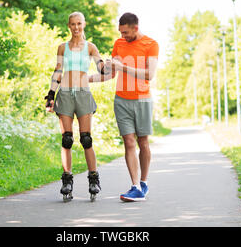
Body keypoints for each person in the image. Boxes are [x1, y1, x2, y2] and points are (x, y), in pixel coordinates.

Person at [89, 12, 159, 202]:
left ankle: (143, 182)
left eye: (126, 32)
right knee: (129, 141)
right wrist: (86, 79)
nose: (122, 37)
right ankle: (135, 186)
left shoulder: (151, 45)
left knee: (143, 142)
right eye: (120, 32)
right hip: (121, 99)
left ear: (135, 28)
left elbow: (149, 74)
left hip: (142, 99)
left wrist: (122, 68)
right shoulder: (119, 44)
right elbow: (110, 74)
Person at [44, 11, 106, 202]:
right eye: (73, 24)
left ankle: (93, 179)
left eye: (79, 24)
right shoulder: (63, 48)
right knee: (67, 140)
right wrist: (50, 94)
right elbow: (58, 71)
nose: (76, 27)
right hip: (65, 94)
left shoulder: (90, 47)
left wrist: (105, 66)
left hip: (83, 94)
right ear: (68, 26)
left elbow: (100, 66)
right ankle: (67, 181)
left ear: (84, 24)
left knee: (86, 139)